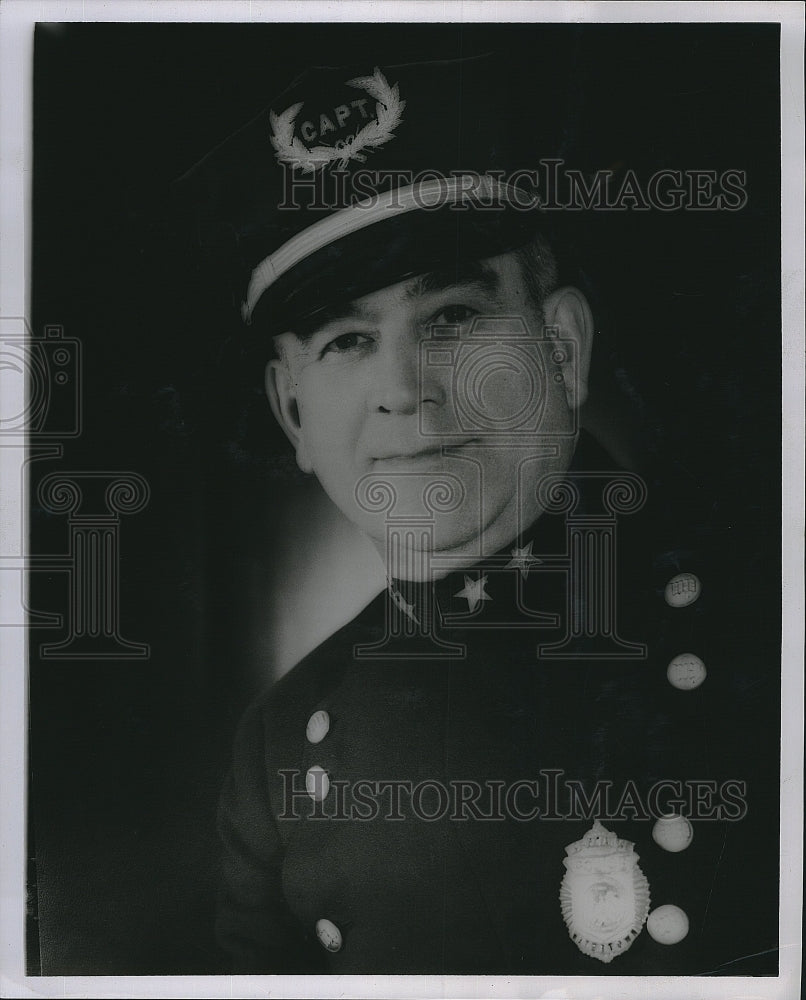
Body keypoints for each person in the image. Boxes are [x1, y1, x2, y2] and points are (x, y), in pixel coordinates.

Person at [177, 52, 778, 976]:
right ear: (293, 414)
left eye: (452, 317)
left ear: (563, 346)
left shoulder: (769, 621)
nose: (403, 391)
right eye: (346, 340)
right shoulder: (280, 752)